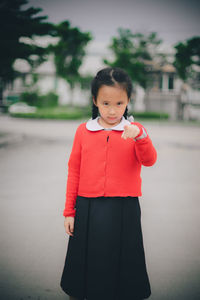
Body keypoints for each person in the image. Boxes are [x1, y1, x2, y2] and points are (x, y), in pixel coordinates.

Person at [60, 67, 157, 300]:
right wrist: (69, 211)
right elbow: (74, 171)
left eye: (119, 104)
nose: (112, 111)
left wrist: (139, 137)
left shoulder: (135, 130)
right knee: (88, 263)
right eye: (105, 103)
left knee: (122, 265)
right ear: (95, 100)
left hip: (124, 208)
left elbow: (150, 160)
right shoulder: (83, 131)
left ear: (128, 101)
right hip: (88, 207)